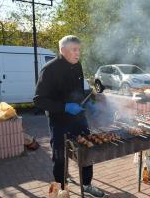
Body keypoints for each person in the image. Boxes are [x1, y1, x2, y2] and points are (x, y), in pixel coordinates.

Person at [34, 35, 105, 197]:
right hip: (59, 121)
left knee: (87, 151)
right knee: (60, 157)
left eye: (79, 49)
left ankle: (86, 185)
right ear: (62, 50)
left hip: (79, 118)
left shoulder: (77, 65)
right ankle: (61, 189)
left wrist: (89, 103)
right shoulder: (49, 69)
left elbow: (79, 91)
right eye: (74, 49)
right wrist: (65, 107)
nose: (78, 53)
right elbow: (39, 100)